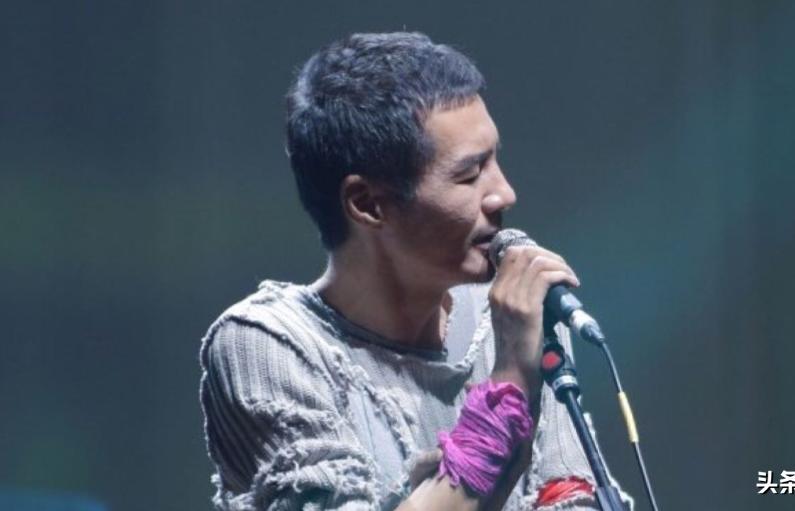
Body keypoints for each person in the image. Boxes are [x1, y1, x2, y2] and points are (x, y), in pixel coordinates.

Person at [199, 32, 632, 510]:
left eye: (495, 160)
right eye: (469, 175)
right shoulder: (269, 347)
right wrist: (508, 382)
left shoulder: (509, 316)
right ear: (367, 203)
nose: (504, 194)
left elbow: (570, 495)